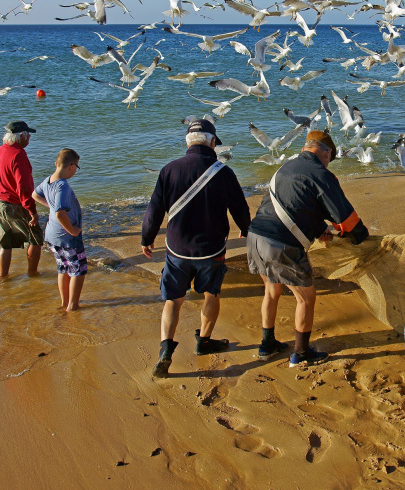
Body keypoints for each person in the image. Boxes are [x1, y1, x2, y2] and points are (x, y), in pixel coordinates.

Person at [247, 130, 368, 367]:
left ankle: (267, 345)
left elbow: (293, 204)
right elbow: (345, 218)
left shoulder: (285, 168)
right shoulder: (321, 173)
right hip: (281, 245)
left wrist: (316, 228)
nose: (328, 163)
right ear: (326, 152)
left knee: (272, 290)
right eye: (328, 159)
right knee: (306, 298)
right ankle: (301, 353)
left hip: (255, 237)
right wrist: (360, 238)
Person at [142, 119, 251, 378]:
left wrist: (147, 237)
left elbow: (155, 208)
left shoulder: (169, 170)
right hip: (211, 249)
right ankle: (204, 341)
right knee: (211, 296)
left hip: (177, 248)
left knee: (173, 300)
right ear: (213, 143)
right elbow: (239, 207)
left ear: (187, 142)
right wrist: (246, 228)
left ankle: (165, 351)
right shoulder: (223, 172)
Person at [0, 121, 43, 277]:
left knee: (5, 242)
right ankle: (33, 274)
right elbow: (24, 187)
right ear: (21, 136)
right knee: (35, 238)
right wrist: (32, 211)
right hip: (13, 204)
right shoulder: (18, 155)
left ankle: (3, 277)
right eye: (28, 134)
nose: (29, 137)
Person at [32, 149, 86, 312]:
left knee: (63, 268)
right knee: (78, 269)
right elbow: (60, 213)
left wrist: (52, 206)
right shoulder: (63, 187)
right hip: (67, 236)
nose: (76, 170)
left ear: (56, 164)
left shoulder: (48, 181)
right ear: (71, 166)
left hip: (52, 235)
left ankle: (64, 302)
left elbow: (35, 195)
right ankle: (73, 305)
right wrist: (73, 230)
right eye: (77, 167)